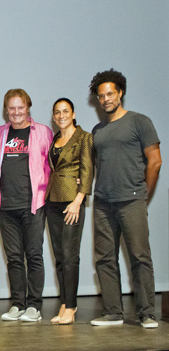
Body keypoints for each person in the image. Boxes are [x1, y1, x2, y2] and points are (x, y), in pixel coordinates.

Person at [88, 69, 162, 328]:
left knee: (139, 257)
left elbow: (155, 162)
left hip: (131, 200)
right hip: (102, 203)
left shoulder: (139, 121)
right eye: (101, 96)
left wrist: (143, 195)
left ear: (120, 93)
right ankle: (113, 312)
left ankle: (147, 313)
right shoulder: (97, 130)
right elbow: (97, 166)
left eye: (110, 94)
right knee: (104, 259)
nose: (106, 99)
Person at [0, 89, 53, 322]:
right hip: (6, 207)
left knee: (34, 255)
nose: (16, 112)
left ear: (28, 108)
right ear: (6, 110)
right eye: (11, 108)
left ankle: (34, 306)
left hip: (33, 205)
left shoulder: (43, 132)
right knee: (14, 258)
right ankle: (18, 304)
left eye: (20, 107)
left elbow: (54, 165)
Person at [45, 98, 93, 325]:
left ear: (73, 114)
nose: (61, 115)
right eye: (57, 112)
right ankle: (64, 303)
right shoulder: (55, 139)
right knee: (60, 257)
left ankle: (71, 307)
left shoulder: (84, 137)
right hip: (52, 201)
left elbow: (87, 170)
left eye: (65, 111)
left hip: (72, 203)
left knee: (70, 256)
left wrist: (78, 201)